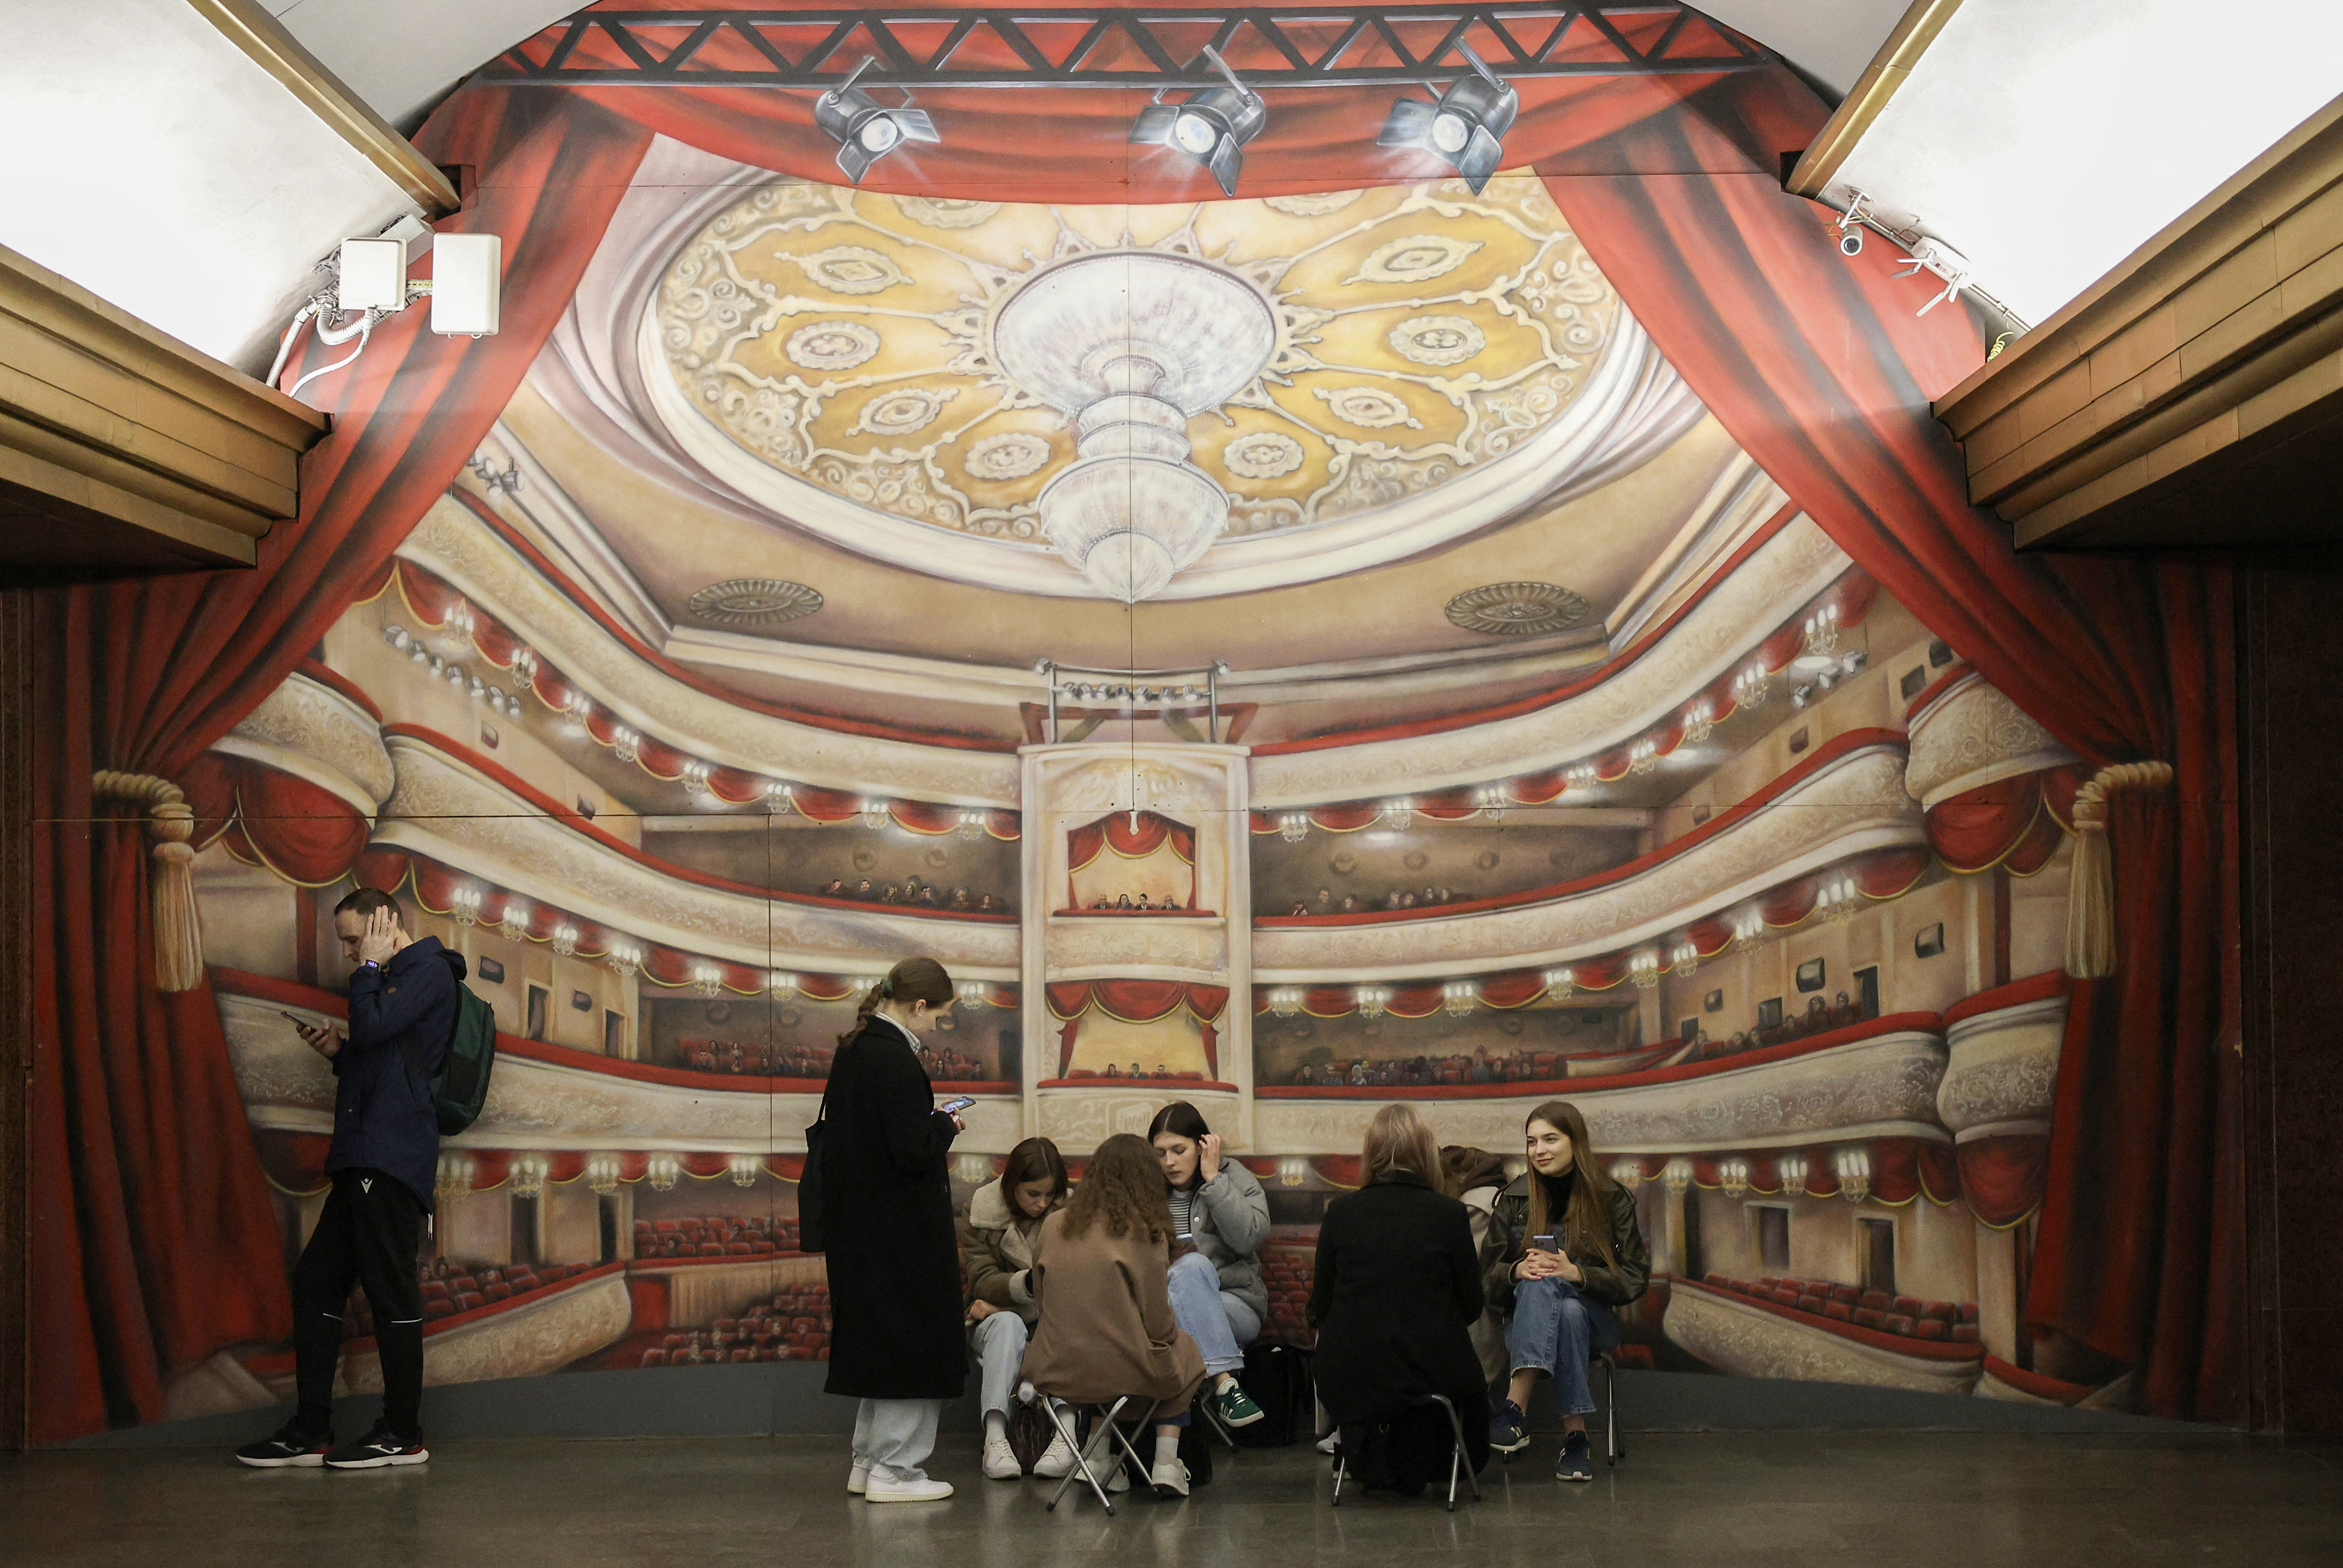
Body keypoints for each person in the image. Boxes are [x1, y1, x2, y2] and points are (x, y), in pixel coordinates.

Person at [236, 889, 464, 1470]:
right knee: (317, 1281)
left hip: (389, 1155)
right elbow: (378, 1049)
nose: (348, 952)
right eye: (344, 942)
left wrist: (368, 967)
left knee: (391, 1292)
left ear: (386, 923)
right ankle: (312, 1428)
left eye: (353, 938)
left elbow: (372, 1023)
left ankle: (404, 1433)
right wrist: (339, 1052)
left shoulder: (429, 972)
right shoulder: (391, 979)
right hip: (364, 1154)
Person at [821, 958, 968, 1502]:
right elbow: (911, 1151)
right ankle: (896, 1468)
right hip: (901, 1234)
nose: (938, 1027)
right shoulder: (893, 1058)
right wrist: (945, 1122)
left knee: (882, 1343)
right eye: (940, 1016)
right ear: (919, 1005)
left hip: (862, 1231)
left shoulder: (855, 1049)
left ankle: (867, 1461)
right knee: (914, 1342)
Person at [1310, 1107, 1489, 1495]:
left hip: (1349, 1375)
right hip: (1433, 1372)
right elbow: (1472, 1305)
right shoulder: (1450, 1214)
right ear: (1427, 1154)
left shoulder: (1340, 1213)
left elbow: (1319, 1305)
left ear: (1371, 1152)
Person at [1022, 1133, 1209, 1498]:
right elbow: (1158, 1324)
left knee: (1116, 1362)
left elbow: (1042, 1303)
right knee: (1182, 1352)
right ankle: (1166, 1463)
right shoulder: (1144, 1231)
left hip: (1053, 1368)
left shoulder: (1053, 1224)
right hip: (1120, 1369)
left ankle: (1097, 1456)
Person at [1485, 1101, 1651, 1482]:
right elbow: (1482, 1277)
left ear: (1576, 1142)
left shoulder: (1611, 1198)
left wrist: (1577, 1272)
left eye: (1550, 1139)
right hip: (1529, 1323)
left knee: (1557, 1287)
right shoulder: (1513, 1198)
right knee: (1551, 1294)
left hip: (1597, 1321)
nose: (1539, 1149)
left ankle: (1514, 1408)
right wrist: (1515, 1270)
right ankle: (1576, 1438)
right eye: (1531, 1141)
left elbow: (1635, 1277)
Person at [960, 1136, 1077, 1480]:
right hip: (997, 1324)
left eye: (1050, 1194)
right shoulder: (980, 1209)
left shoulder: (1070, 1214)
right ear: (1012, 1186)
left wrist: (1004, 1301)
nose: (1042, 1203)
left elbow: (1073, 1283)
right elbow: (982, 1279)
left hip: (1048, 1320)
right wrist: (1031, 1284)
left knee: (1064, 1322)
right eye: (1033, 1194)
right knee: (1009, 1323)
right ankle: (995, 1439)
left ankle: (1067, 1435)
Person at [1148, 1101, 1270, 1429]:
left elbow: (1248, 1237)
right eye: (1160, 1153)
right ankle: (1226, 1385)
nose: (1170, 1162)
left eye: (1178, 1149)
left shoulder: (1231, 1176)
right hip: (1168, 1310)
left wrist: (1214, 1180)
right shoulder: (1147, 1192)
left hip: (1234, 1304)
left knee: (1191, 1266)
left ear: (1203, 1145)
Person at [1440, 1145, 1513, 1390]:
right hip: (1491, 1319)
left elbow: (1451, 1267)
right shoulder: (1494, 1198)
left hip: (1474, 1325)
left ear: (1459, 1178)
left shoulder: (1473, 1208)